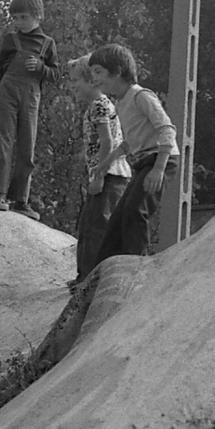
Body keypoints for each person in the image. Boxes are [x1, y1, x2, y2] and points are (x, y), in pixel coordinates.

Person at [86, 43, 179, 266]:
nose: (95, 79)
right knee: (118, 219)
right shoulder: (121, 102)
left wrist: (158, 169)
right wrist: (105, 162)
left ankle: (135, 265)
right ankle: (102, 270)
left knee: (135, 211)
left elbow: (167, 129)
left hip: (161, 159)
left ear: (117, 71)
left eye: (98, 72)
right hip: (143, 161)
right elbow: (130, 142)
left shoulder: (141, 96)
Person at [0, 0, 60, 215]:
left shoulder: (48, 44)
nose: (19, 22)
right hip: (7, 92)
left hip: (31, 96)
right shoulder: (10, 39)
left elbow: (56, 74)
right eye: (15, 18)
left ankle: (21, 200)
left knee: (27, 147)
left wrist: (41, 68)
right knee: (3, 142)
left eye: (23, 17)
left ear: (38, 15)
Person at [71, 55, 130, 284]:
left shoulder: (99, 105)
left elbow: (107, 141)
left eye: (76, 80)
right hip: (108, 175)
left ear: (92, 81)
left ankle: (90, 279)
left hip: (110, 176)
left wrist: (99, 175)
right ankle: (84, 276)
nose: (72, 85)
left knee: (96, 227)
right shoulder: (99, 105)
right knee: (87, 225)